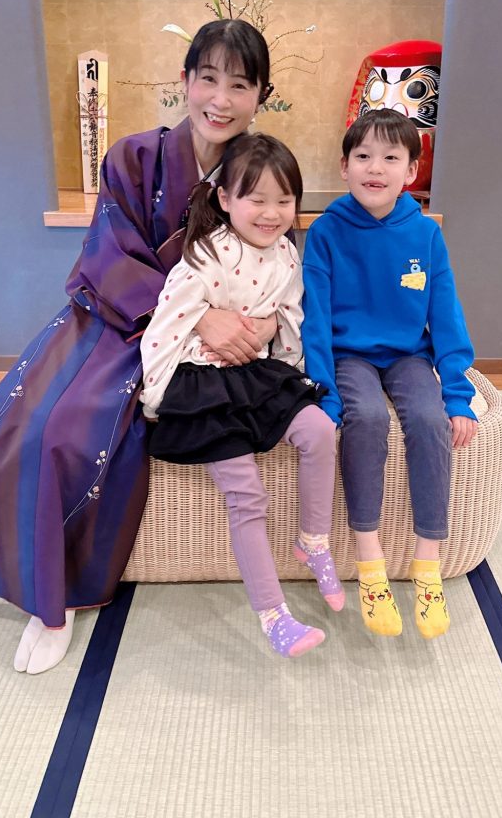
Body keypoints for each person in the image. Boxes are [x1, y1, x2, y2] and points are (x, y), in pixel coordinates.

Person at [0, 18, 280, 673]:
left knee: (69, 434)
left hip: (175, 347)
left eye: (239, 85)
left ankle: (57, 595)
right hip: (112, 315)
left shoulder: (256, 170)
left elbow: (274, 255)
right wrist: (194, 313)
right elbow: (108, 254)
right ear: (184, 81)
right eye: (208, 78)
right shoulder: (134, 157)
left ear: (261, 95)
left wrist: (254, 322)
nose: (220, 98)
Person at [140, 132, 344, 657]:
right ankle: (274, 615)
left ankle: (314, 541)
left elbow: (292, 318)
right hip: (203, 387)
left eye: (284, 200)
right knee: (246, 494)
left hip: (256, 373)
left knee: (320, 429)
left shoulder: (287, 254)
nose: (271, 213)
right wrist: (157, 398)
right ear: (225, 198)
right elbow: (166, 325)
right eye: (256, 199)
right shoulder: (205, 255)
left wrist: (289, 374)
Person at [301, 108, 478, 640]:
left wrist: (458, 395)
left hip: (407, 357)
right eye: (363, 156)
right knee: (368, 419)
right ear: (344, 166)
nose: (375, 168)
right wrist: (326, 397)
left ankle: (428, 565)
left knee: (428, 420)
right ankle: (370, 563)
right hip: (348, 356)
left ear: (411, 171)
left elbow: (445, 316)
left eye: (390, 158)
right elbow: (314, 321)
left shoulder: (425, 234)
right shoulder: (325, 232)